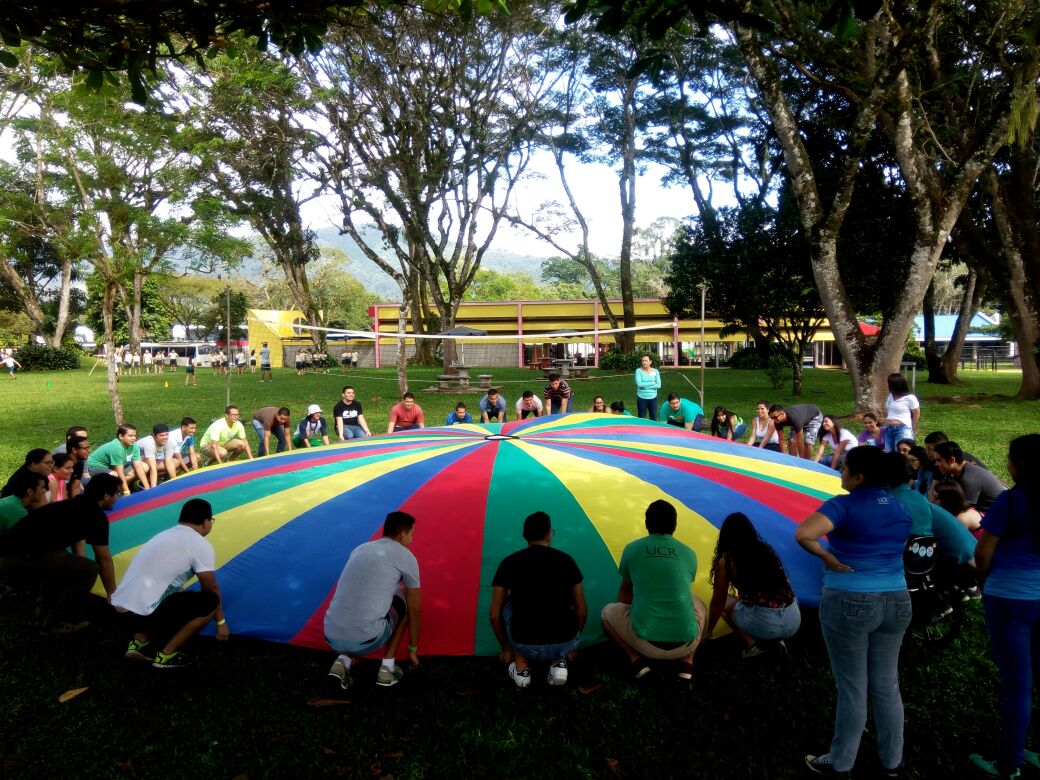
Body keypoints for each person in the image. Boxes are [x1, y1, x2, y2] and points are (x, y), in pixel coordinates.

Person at [794, 446, 913, 778]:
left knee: (852, 686)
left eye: (844, 469)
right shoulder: (900, 506)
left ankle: (841, 762)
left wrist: (828, 559)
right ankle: (892, 761)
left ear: (859, 477)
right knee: (887, 683)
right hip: (897, 598)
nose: (841, 473)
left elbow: (805, 534)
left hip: (850, 599)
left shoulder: (843, 505)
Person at [970, 434, 1040, 780]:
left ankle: (1008, 762)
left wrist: (984, 582)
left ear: (1019, 466)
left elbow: (983, 554)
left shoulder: (1011, 501)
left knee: (1017, 683)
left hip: (1009, 599)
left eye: (1010, 459)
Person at [112, 498, 229, 669]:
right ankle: (166, 655)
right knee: (210, 600)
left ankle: (139, 642)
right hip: (146, 613)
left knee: (169, 589)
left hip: (121, 609)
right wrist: (221, 623)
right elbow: (211, 587)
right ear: (206, 522)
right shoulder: (199, 544)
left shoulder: (163, 536)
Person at [601, 499, 706, 682]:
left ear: (647, 524)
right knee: (699, 603)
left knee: (607, 612)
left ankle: (635, 660)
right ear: (675, 525)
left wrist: (626, 615)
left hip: (643, 641)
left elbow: (625, 591)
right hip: (685, 642)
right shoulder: (689, 553)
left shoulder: (632, 549)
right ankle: (688, 661)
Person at [0, 474, 121, 633]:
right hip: (16, 559)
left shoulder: (72, 505)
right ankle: (59, 619)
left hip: (10, 555)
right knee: (87, 569)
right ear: (106, 496)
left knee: (62, 563)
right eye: (117, 493)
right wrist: (113, 596)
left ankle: (43, 614)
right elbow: (103, 558)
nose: (118, 497)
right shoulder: (96, 516)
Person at [324, 511, 422, 689]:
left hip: (331, 636)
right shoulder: (406, 556)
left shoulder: (360, 549)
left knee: (360, 597)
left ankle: (342, 661)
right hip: (366, 639)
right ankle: (387, 668)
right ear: (403, 534)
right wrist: (413, 649)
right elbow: (415, 610)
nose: (411, 540)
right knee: (406, 597)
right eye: (411, 535)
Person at [489, 511, 587, 688]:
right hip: (565, 642)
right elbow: (581, 610)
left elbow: (495, 614)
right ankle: (559, 662)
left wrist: (505, 648)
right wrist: (572, 646)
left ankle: (521, 665)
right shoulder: (567, 561)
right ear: (549, 534)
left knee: (507, 602)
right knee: (562, 603)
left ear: (524, 535)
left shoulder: (509, 562)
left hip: (525, 644)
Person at [704, 512, 800, 657]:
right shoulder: (767, 551)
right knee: (757, 603)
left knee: (725, 604)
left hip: (766, 624)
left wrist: (709, 631)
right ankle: (778, 641)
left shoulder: (728, 561)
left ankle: (752, 645)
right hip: (793, 620)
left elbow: (718, 602)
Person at [934, 441, 1006, 513]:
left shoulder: (969, 478)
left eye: (939, 460)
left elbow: (963, 510)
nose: (936, 464)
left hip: (997, 515)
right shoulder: (958, 473)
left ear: (952, 460)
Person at [86, 425, 149, 495]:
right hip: (94, 467)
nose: (134, 438)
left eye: (135, 436)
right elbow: (119, 472)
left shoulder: (134, 446)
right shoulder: (116, 448)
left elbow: (138, 466)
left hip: (115, 466)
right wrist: (126, 492)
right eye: (130, 436)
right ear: (121, 436)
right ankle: (108, 491)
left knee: (144, 467)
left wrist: (148, 488)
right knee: (114, 475)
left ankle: (123, 486)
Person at [881, 373, 920, 453]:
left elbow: (916, 413)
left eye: (889, 383)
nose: (888, 385)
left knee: (901, 454)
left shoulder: (910, 398)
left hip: (902, 429)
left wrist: (912, 427)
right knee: (889, 454)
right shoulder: (891, 396)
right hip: (889, 429)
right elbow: (888, 410)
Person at [135, 423, 171, 488]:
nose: (165, 437)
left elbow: (169, 461)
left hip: (148, 460)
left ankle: (158, 480)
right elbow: (152, 467)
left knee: (174, 462)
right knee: (146, 467)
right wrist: (153, 489)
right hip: (133, 463)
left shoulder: (168, 441)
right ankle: (145, 484)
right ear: (154, 436)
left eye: (166, 434)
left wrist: (174, 481)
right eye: (161, 435)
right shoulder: (149, 443)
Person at [634, 354, 661, 420]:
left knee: (654, 419)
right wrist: (652, 383)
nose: (644, 362)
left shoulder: (656, 371)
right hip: (642, 398)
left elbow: (659, 385)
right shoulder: (638, 371)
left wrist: (645, 386)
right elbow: (639, 384)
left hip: (653, 398)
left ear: (650, 362)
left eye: (646, 361)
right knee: (641, 418)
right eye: (642, 361)